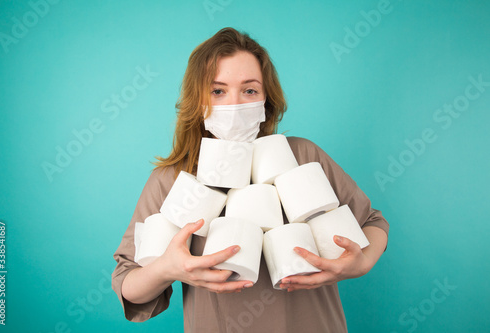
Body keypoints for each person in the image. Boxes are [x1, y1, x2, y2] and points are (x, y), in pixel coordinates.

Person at [112, 27, 389, 333]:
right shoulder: (173, 179)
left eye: (249, 90)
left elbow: (372, 223)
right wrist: (168, 267)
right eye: (218, 91)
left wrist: (361, 263)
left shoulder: (301, 155)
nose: (234, 104)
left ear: (265, 99)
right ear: (198, 100)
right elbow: (128, 283)